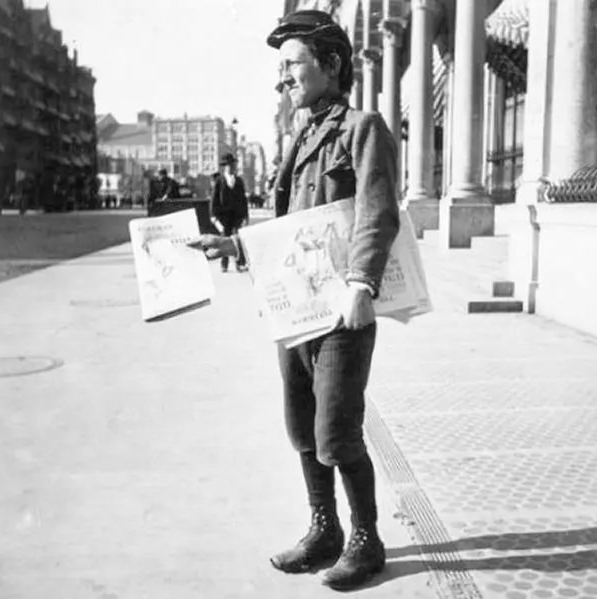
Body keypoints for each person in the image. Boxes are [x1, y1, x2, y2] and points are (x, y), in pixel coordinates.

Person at [189, 9, 399, 591]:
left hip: (340, 313)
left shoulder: (363, 128)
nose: (283, 78)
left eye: (292, 64)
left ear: (330, 64)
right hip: (295, 310)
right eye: (280, 68)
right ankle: (324, 530)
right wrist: (232, 242)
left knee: (337, 433)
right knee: (302, 428)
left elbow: (378, 212)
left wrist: (362, 283)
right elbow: (290, 228)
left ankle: (366, 541)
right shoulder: (303, 135)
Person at [211, 154, 248, 272]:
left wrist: (246, 215)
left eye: (233, 165)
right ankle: (224, 264)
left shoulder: (239, 181)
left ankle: (239, 264)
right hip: (224, 216)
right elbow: (214, 199)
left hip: (236, 215)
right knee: (225, 239)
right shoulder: (219, 181)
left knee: (237, 239)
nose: (231, 167)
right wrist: (213, 216)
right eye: (229, 165)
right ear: (225, 167)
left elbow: (243, 199)